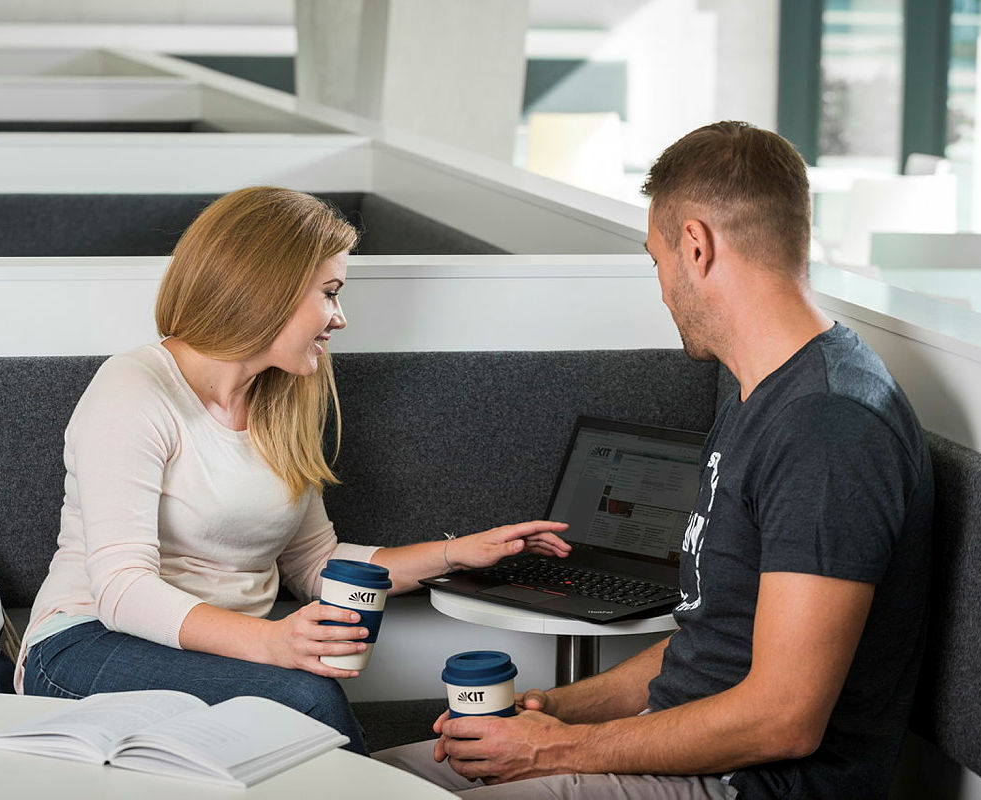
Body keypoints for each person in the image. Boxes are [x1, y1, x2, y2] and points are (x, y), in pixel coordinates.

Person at [376, 121, 934, 799]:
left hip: (750, 785)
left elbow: (784, 719)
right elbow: (711, 645)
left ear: (695, 246)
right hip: (675, 744)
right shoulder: (757, 391)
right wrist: (556, 710)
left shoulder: (830, 426)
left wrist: (555, 752)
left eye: (657, 260)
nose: (663, 289)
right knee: (364, 783)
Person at [16, 186, 570, 755]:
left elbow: (315, 564)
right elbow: (121, 589)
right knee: (305, 698)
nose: (341, 318)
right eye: (330, 293)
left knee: (300, 698)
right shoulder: (133, 388)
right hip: (88, 645)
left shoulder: (283, 401)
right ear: (267, 291)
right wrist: (274, 643)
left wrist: (456, 554)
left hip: (220, 652)